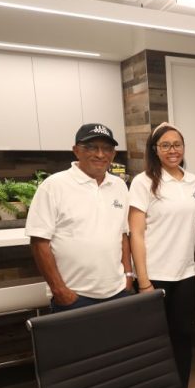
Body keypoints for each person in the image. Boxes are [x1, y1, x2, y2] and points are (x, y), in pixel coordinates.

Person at [128, 122, 195, 388]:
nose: (173, 150)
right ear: (155, 150)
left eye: (177, 144)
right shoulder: (143, 182)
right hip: (154, 276)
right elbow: (136, 233)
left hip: (184, 273)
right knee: (154, 345)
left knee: (183, 340)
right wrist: (143, 281)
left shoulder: (193, 181)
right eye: (165, 145)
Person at [26, 123, 133, 312]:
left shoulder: (119, 185)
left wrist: (128, 276)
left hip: (118, 292)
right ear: (76, 151)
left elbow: (123, 234)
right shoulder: (53, 186)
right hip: (75, 296)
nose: (100, 154)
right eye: (91, 147)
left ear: (114, 154)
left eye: (107, 148)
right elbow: (39, 242)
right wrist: (60, 291)